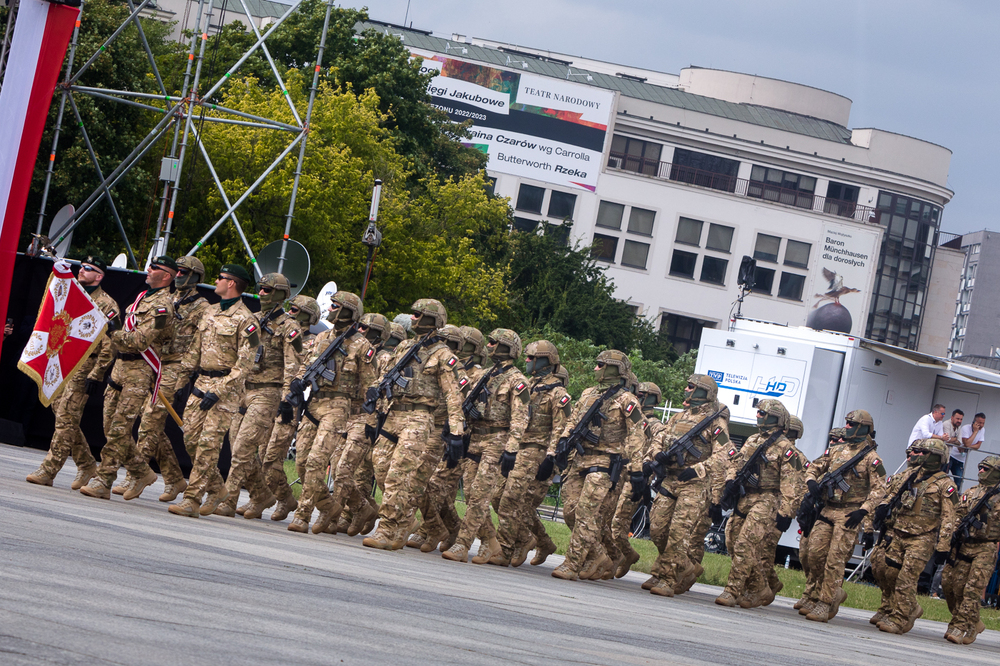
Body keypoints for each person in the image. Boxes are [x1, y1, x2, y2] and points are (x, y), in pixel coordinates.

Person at [361, 299, 465, 550]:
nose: (413, 318)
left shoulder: (444, 355)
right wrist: (375, 401)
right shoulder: (406, 346)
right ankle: (404, 522)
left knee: (399, 473)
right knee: (382, 468)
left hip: (420, 417)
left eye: (418, 314)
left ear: (432, 320)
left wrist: (456, 432)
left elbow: (453, 395)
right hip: (395, 413)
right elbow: (387, 375)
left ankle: (387, 530)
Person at [81, 256, 177, 501]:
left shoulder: (163, 305)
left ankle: (104, 480)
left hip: (139, 370)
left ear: (167, 276)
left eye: (155, 268)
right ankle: (141, 471)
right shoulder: (143, 296)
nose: (149, 269)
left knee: (119, 429)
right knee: (109, 427)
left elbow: (140, 341)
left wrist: (113, 331)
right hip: (120, 367)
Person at [168, 264, 258, 517]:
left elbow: (244, 365)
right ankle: (218, 487)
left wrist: (219, 390)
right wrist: (179, 382)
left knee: (208, 446)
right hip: (200, 385)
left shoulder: (247, 321)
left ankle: (192, 500)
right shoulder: (209, 312)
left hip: (224, 392)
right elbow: (195, 350)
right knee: (190, 440)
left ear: (232, 283)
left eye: (220, 278)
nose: (216, 281)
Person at [546, 350, 643, 581]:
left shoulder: (627, 400)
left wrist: (636, 469)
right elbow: (573, 420)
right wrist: (562, 442)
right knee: (570, 512)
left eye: (601, 365)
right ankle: (599, 555)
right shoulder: (588, 393)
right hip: (580, 458)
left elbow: (637, 434)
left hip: (606, 461)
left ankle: (572, 563)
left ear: (614, 369)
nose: (595, 368)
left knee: (585, 513)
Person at [286, 291, 375, 534]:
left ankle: (302, 515)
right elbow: (306, 364)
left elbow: (370, 385)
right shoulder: (322, 337)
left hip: (338, 407)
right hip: (314, 404)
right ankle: (334, 505)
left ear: (349, 311)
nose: (332, 308)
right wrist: (297, 381)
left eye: (336, 305)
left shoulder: (361, 346)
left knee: (316, 462)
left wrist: (368, 417)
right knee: (302, 463)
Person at [27, 256, 119, 489]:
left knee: (66, 416)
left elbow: (109, 345)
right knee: (64, 417)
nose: (82, 270)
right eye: (82, 267)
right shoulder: (74, 294)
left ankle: (49, 469)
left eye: (89, 269)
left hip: (85, 366)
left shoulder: (107, 304)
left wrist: (96, 373)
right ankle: (87, 464)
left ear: (99, 276)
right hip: (62, 363)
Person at [216, 273, 300, 519]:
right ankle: (262, 495)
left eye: (266, 290)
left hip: (267, 393)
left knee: (243, 448)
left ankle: (228, 500)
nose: (261, 293)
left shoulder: (289, 327)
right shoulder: (253, 320)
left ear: (280, 295)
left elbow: (293, 365)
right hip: (245, 389)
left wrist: (286, 399)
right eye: (260, 289)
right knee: (237, 448)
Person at [442, 328, 529, 564]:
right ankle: (491, 542)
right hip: (477, 437)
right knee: (470, 492)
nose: (488, 346)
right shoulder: (487, 375)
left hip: (497, 440)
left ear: (506, 348)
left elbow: (521, 418)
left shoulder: (517, 380)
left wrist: (511, 449)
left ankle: (463, 544)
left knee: (480, 495)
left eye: (493, 343)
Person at [131, 255, 210, 502]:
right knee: (150, 422)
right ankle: (175, 479)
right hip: (155, 362)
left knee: (150, 421)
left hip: (176, 366)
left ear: (195, 277)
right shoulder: (168, 299)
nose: (178, 276)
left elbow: (200, 345)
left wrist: (183, 376)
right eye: (177, 272)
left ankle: (136, 475)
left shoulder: (203, 307)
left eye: (184, 272)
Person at [644, 375, 729, 598]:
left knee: (678, 533)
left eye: (691, 387)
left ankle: (669, 579)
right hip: (671, 478)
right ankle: (686, 567)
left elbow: (723, 456)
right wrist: (656, 454)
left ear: (703, 392)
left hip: (695, 485)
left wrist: (699, 469)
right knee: (657, 528)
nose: (686, 389)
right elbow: (658, 440)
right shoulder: (677, 417)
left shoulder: (715, 423)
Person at [801, 410, 886, 622]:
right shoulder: (836, 450)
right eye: (846, 423)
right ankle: (830, 592)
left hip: (850, 513)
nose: (846, 427)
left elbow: (880, 489)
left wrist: (863, 510)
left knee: (835, 559)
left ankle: (825, 602)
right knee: (814, 554)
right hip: (828, 509)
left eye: (851, 424)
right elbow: (814, 466)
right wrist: (812, 481)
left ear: (863, 427)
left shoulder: (872, 458)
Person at [490, 340, 569, 567]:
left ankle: (506, 549)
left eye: (531, 358)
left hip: (537, 452)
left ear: (545, 361)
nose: (526, 361)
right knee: (497, 498)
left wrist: (552, 456)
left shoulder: (558, 393)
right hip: (517, 448)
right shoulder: (527, 385)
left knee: (512, 501)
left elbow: (560, 427)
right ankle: (534, 540)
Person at [715, 398, 799, 607]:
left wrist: (786, 513)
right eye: (758, 412)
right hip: (746, 496)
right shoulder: (752, 440)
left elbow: (791, 482)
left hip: (767, 499)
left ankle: (732, 590)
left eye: (762, 413)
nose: (758, 416)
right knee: (732, 542)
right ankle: (758, 587)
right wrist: (731, 481)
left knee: (746, 544)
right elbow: (738, 463)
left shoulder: (785, 448)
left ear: (775, 418)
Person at [870, 438, 956, 634]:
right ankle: (909, 607)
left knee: (906, 578)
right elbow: (896, 493)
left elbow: (949, 517)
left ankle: (901, 618)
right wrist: (884, 506)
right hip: (900, 532)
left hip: (922, 537)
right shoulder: (912, 475)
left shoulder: (946, 485)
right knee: (890, 573)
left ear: (937, 457)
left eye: (926, 453)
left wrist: (943, 546)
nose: (921, 456)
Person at [941, 455, 1000, 645]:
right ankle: (973, 622)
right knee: (952, 587)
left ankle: (959, 626)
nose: (980, 471)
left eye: (985, 468)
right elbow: (957, 514)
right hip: (964, 544)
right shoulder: (971, 492)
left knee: (971, 589)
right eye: (980, 467)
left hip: (986, 546)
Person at [954, 413, 986, 492]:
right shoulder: (966, 428)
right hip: (953, 455)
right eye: (979, 423)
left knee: (959, 481)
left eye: (983, 423)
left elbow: (978, 446)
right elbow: (967, 443)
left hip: (962, 459)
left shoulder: (982, 430)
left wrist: (966, 447)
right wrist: (975, 432)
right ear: (974, 422)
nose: (981, 425)